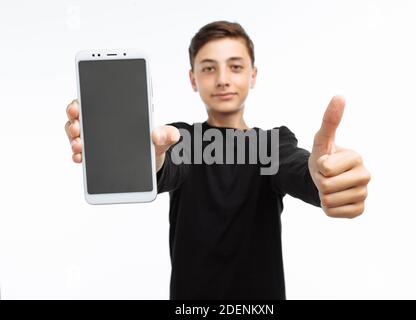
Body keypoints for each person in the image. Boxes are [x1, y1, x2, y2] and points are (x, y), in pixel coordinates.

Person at [64, 21, 371, 299]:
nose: (223, 79)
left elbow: (297, 169)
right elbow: (166, 164)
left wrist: (322, 178)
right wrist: (146, 159)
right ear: (193, 79)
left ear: (253, 75)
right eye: (209, 68)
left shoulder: (274, 144)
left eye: (235, 67)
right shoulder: (182, 138)